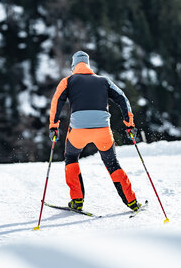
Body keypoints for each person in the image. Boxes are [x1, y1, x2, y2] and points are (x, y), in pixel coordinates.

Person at [49, 51, 140, 212]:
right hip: (102, 131)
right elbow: (122, 99)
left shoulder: (67, 81)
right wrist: (129, 124)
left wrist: (53, 127)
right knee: (112, 163)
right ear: (89, 66)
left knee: (71, 157)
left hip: (78, 131)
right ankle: (131, 201)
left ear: (73, 66)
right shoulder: (104, 81)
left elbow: (57, 102)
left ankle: (77, 201)